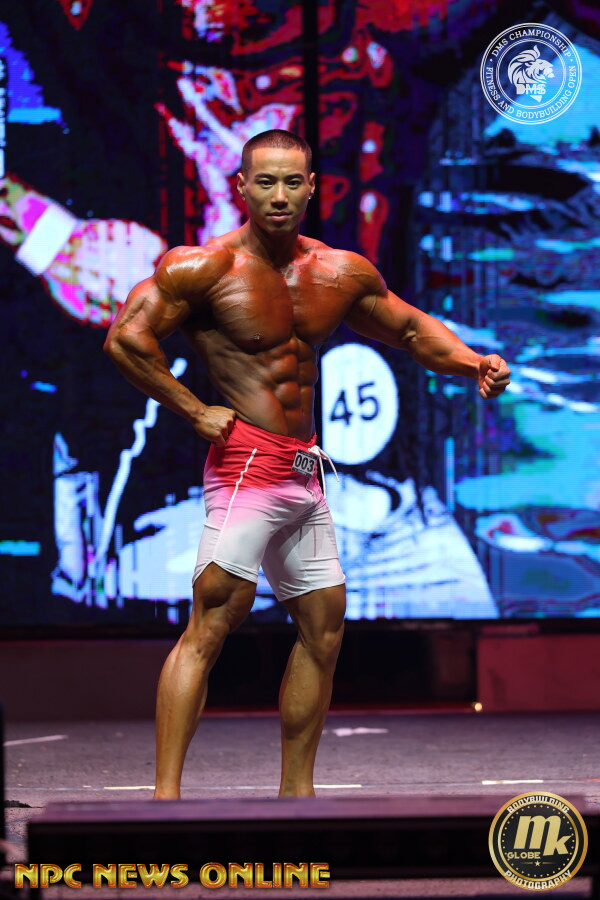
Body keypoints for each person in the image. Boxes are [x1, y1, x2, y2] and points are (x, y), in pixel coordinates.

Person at [104, 128, 510, 799]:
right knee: (212, 622)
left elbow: (411, 329)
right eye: (265, 181)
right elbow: (126, 339)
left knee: (324, 630)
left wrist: (474, 364)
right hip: (245, 466)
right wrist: (193, 409)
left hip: (303, 470)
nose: (279, 195)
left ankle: (298, 798)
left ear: (312, 188)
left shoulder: (337, 271)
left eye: (292, 182)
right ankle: (164, 801)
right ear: (241, 186)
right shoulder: (203, 267)